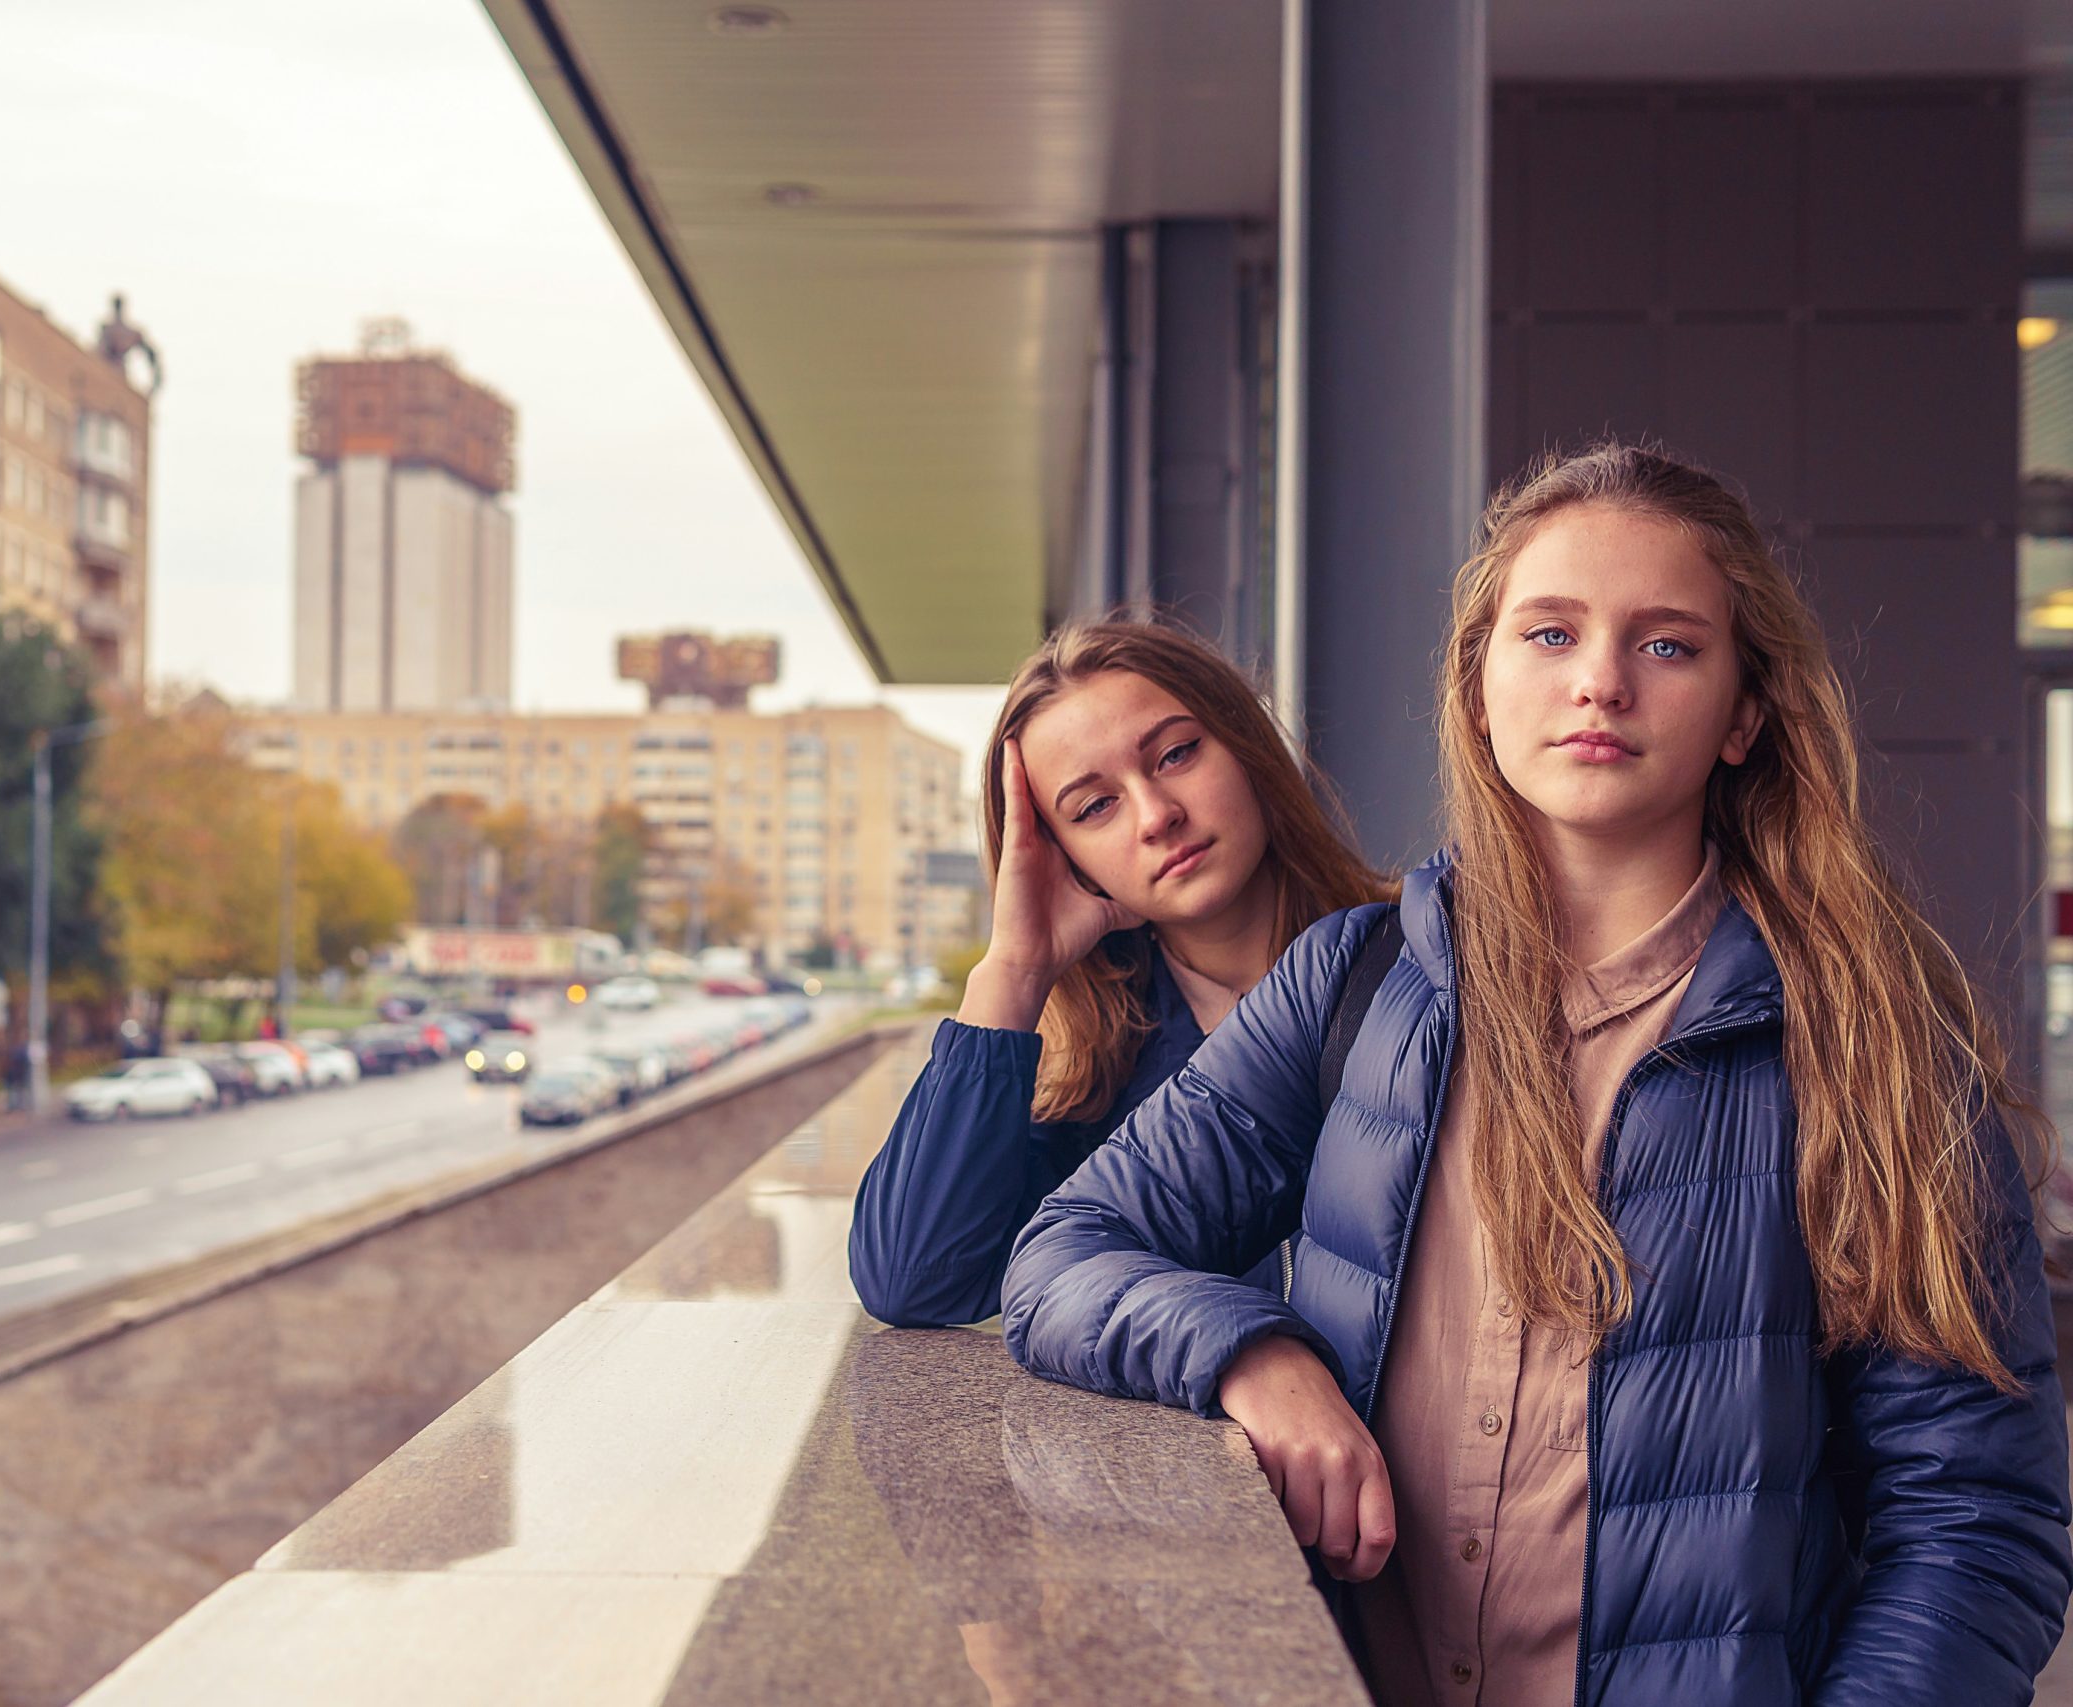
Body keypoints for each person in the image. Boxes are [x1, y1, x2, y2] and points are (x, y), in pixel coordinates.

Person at [1001, 444, 2072, 1704]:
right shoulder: (1353, 981)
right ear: (1476, 691)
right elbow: (1064, 1253)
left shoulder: (1872, 1042)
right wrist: (1250, 1355)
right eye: (1550, 634)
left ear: (1742, 714)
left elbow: (1975, 1526)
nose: (1600, 684)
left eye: (1666, 645)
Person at [848, 617, 1389, 1328]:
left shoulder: (1419, 963)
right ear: (1065, 858)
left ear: (1246, 746)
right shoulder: (1092, 1088)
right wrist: (1014, 968)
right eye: (1095, 805)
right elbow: (911, 1279)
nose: (1157, 815)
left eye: (1176, 754)